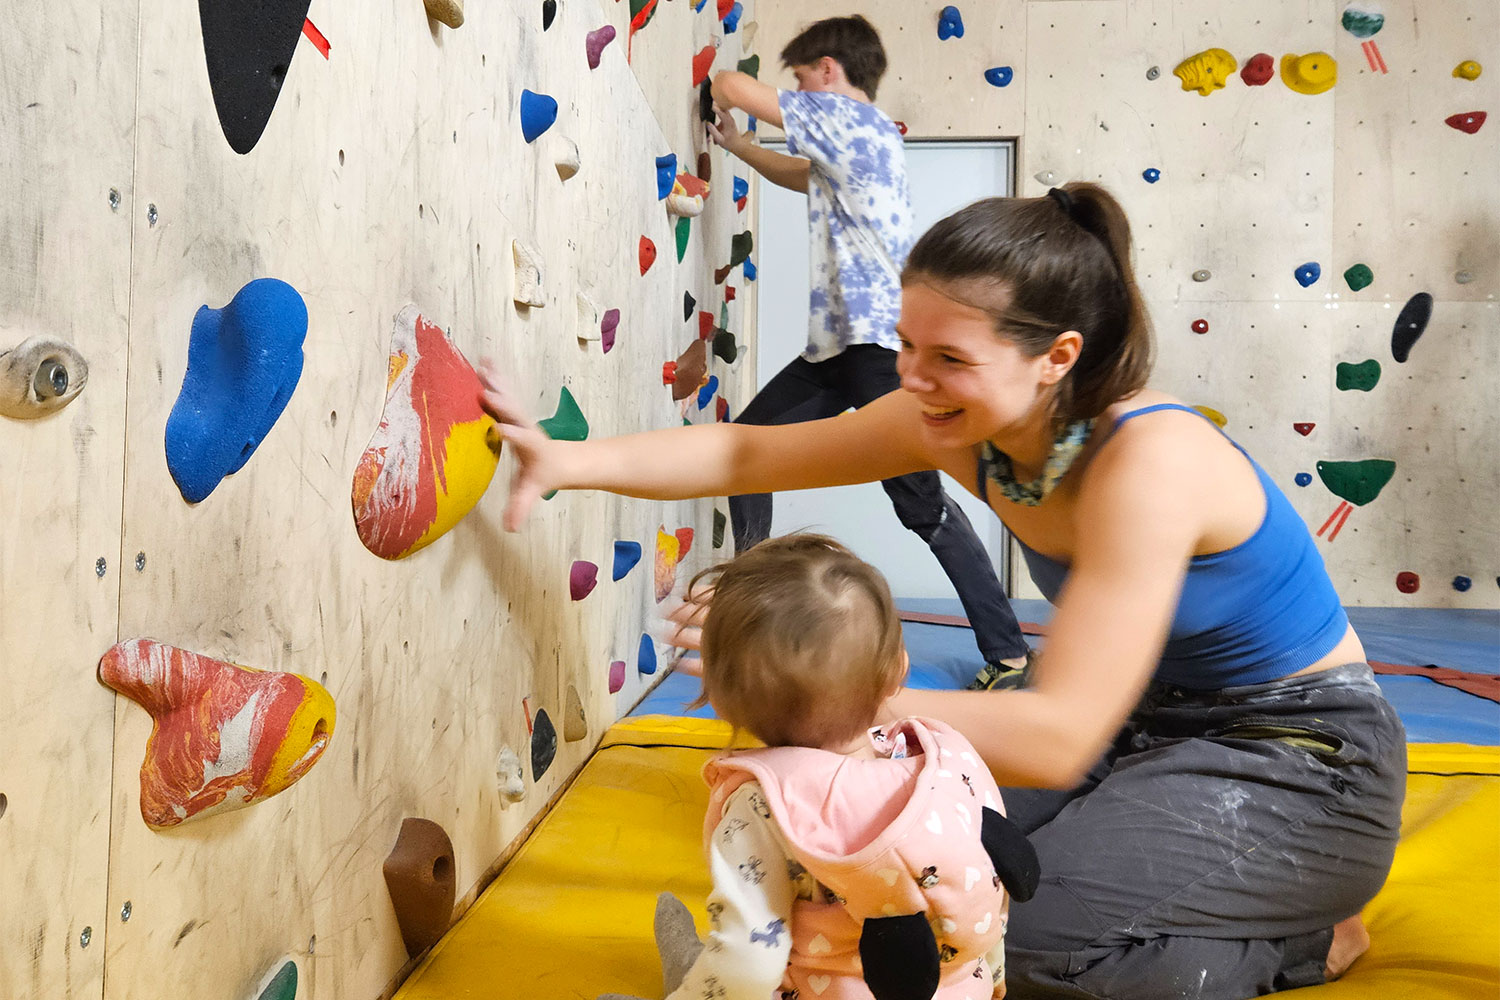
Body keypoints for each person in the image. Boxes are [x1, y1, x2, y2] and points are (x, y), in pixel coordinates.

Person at [478, 181, 1407, 999]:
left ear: (1057, 357)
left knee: (1010, 939)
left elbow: (1057, 734)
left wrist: (815, 703)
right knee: (904, 865)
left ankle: (1301, 937)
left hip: (1301, 760)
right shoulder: (958, 425)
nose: (912, 378)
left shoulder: (1150, 462)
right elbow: (748, 450)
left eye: (950, 358)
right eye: (905, 343)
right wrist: (569, 460)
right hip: (1144, 733)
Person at [705, 14, 1033, 687]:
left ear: (828, 70)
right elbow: (797, 175)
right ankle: (752, 594)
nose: (798, 89)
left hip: (880, 350)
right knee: (748, 449)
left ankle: (1009, 654)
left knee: (922, 506)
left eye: (801, 77)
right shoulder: (852, 148)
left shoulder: (851, 121)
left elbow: (732, 82)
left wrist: (720, 88)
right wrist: (737, 147)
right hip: (837, 350)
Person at [595, 534, 1036, 1000]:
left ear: (722, 703)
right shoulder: (947, 763)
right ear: (898, 671)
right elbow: (990, 889)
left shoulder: (766, 806)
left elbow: (750, 960)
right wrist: (991, 983)